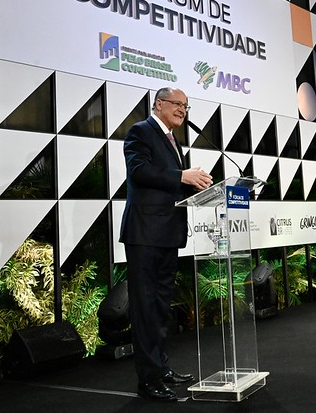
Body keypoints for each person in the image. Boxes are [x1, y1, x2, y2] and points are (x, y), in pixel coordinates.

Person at [120, 87, 213, 401]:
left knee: (160, 307)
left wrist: (195, 186)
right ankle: (148, 380)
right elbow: (139, 172)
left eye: (186, 106)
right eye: (177, 103)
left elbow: (169, 183)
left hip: (167, 234)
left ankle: (160, 368)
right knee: (145, 308)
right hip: (145, 234)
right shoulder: (140, 131)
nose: (182, 109)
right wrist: (182, 176)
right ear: (159, 104)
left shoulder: (173, 141)